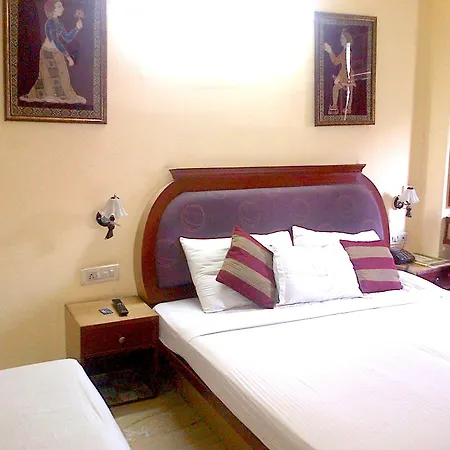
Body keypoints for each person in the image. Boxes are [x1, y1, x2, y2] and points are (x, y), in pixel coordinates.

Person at [20, 0, 86, 104]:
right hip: (48, 52)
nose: (62, 8)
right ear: (53, 10)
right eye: (59, 6)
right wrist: (68, 57)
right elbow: (56, 41)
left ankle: (61, 95)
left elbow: (67, 38)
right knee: (47, 76)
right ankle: (49, 96)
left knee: (62, 75)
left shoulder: (58, 22)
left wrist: (76, 28)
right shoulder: (51, 22)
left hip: (55, 51)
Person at [323, 29, 355, 115]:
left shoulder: (348, 51)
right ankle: (337, 106)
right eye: (341, 38)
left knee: (346, 89)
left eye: (342, 38)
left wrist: (339, 77)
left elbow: (346, 66)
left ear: (346, 39)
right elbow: (336, 61)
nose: (341, 40)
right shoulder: (344, 51)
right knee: (339, 88)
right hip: (345, 74)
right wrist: (330, 51)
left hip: (347, 74)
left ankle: (345, 107)